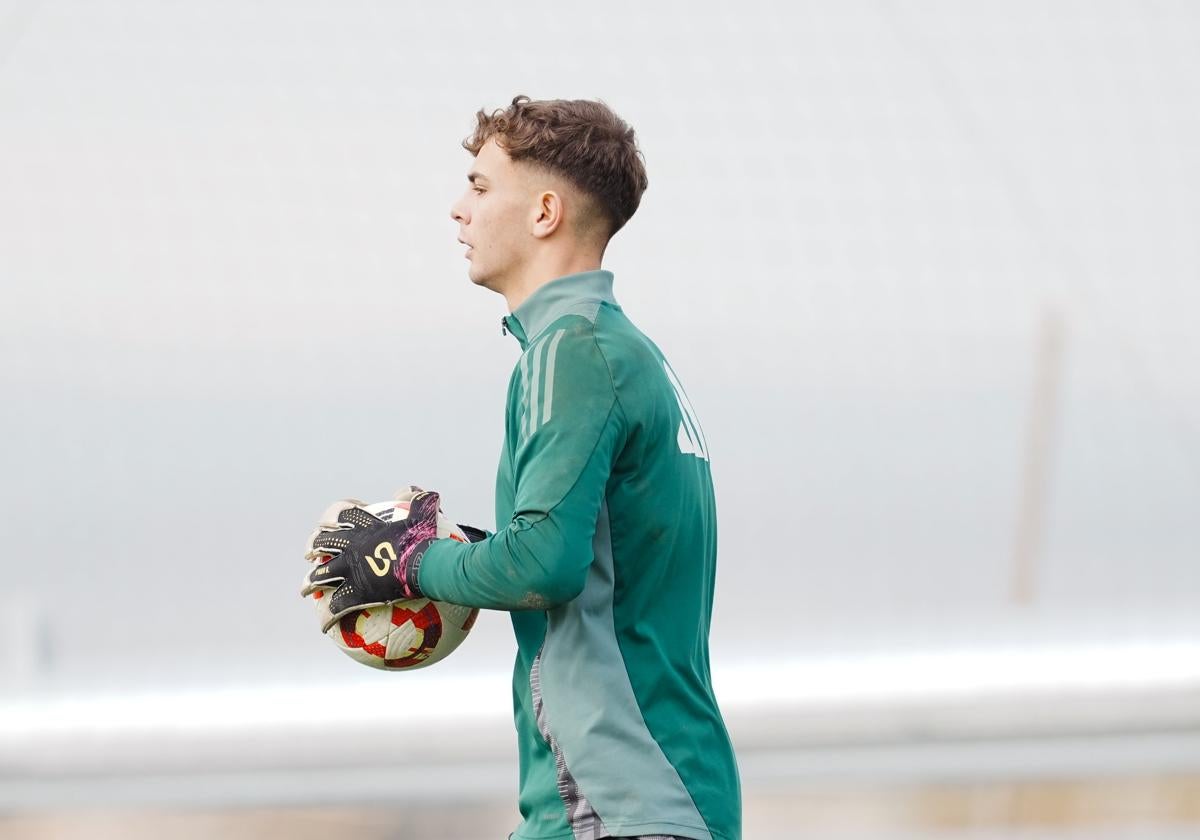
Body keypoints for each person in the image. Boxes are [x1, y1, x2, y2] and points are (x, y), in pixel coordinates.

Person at [304, 95, 740, 840]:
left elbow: (545, 564)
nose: (457, 210)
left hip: (616, 799)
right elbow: (600, 556)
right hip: (659, 797)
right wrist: (472, 550)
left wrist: (410, 565)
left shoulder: (567, 352)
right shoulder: (626, 353)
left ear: (544, 213)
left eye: (478, 187)